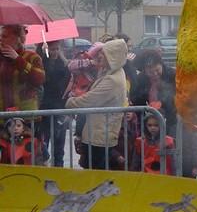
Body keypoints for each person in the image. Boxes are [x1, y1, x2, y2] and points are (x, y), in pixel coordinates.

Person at [65, 38, 128, 170]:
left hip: (100, 134)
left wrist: (71, 102)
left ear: (112, 57)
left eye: (104, 54)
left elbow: (90, 100)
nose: (100, 55)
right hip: (98, 131)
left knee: (95, 171)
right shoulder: (112, 72)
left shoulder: (112, 80)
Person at [37, 41, 70, 167]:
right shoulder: (42, 62)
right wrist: (43, 55)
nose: (55, 52)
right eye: (52, 49)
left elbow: (63, 85)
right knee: (43, 144)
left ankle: (58, 169)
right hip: (44, 108)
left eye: (57, 49)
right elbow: (45, 80)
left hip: (59, 108)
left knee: (59, 146)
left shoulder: (63, 65)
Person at [0, 24, 45, 118]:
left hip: (25, 115)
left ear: (18, 38)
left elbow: (39, 80)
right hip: (2, 114)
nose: (1, 39)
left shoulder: (32, 57)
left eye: (4, 36)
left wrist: (17, 59)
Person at [130, 49, 177, 135]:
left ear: (161, 65)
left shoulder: (172, 76)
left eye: (157, 70)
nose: (155, 74)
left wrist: (163, 104)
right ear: (144, 70)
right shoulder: (141, 79)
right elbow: (135, 98)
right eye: (150, 72)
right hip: (149, 122)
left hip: (171, 120)